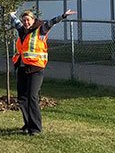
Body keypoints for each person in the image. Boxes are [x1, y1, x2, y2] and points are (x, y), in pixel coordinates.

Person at [11, 8, 76, 136]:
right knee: (22, 98)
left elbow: (51, 23)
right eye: (24, 20)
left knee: (32, 96)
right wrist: (12, 15)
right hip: (22, 68)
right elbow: (16, 23)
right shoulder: (22, 31)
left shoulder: (40, 30)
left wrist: (63, 15)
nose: (25, 22)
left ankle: (35, 128)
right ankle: (28, 124)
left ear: (33, 20)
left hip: (36, 69)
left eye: (28, 20)